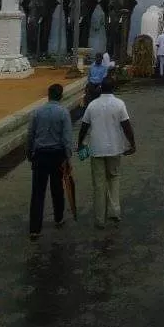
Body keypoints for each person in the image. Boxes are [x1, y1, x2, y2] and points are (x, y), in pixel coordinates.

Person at [78, 76, 136, 227]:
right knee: (114, 179)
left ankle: (99, 219)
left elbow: (84, 126)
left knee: (98, 184)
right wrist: (132, 144)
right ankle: (114, 212)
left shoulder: (92, 105)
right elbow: (126, 126)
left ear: (101, 88)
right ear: (114, 88)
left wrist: (80, 144)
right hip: (115, 148)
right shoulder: (119, 104)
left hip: (96, 149)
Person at [27, 84, 73, 240]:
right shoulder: (63, 113)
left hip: (40, 155)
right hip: (57, 155)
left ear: (48, 95)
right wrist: (68, 158)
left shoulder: (37, 112)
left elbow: (30, 135)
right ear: (61, 96)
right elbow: (66, 139)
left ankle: (34, 228)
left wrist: (29, 152)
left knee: (38, 192)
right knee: (57, 188)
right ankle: (58, 217)